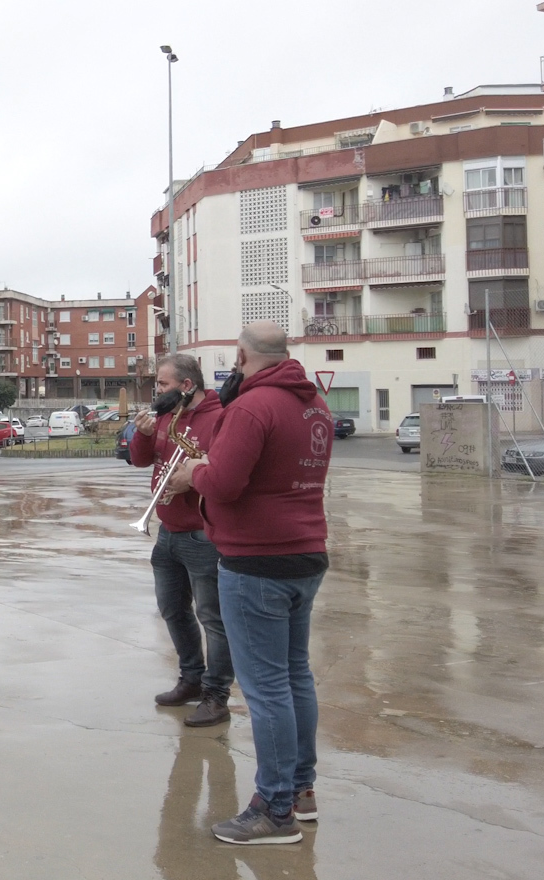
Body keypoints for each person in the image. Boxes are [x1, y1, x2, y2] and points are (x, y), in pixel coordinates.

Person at [165, 321, 331, 846]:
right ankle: (300, 792)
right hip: (306, 553)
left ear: (241, 355)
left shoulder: (252, 407)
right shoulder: (314, 404)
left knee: (266, 690)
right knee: (295, 676)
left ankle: (274, 809)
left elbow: (227, 483)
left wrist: (195, 473)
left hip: (256, 560)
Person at [128, 353, 231, 726]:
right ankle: (191, 678)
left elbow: (225, 474)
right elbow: (143, 460)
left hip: (202, 534)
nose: (157, 390)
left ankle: (216, 695)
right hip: (167, 531)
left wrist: (195, 474)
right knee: (172, 609)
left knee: (212, 618)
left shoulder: (220, 418)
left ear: (186, 386)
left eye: (163, 384)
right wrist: (142, 434)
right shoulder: (169, 417)